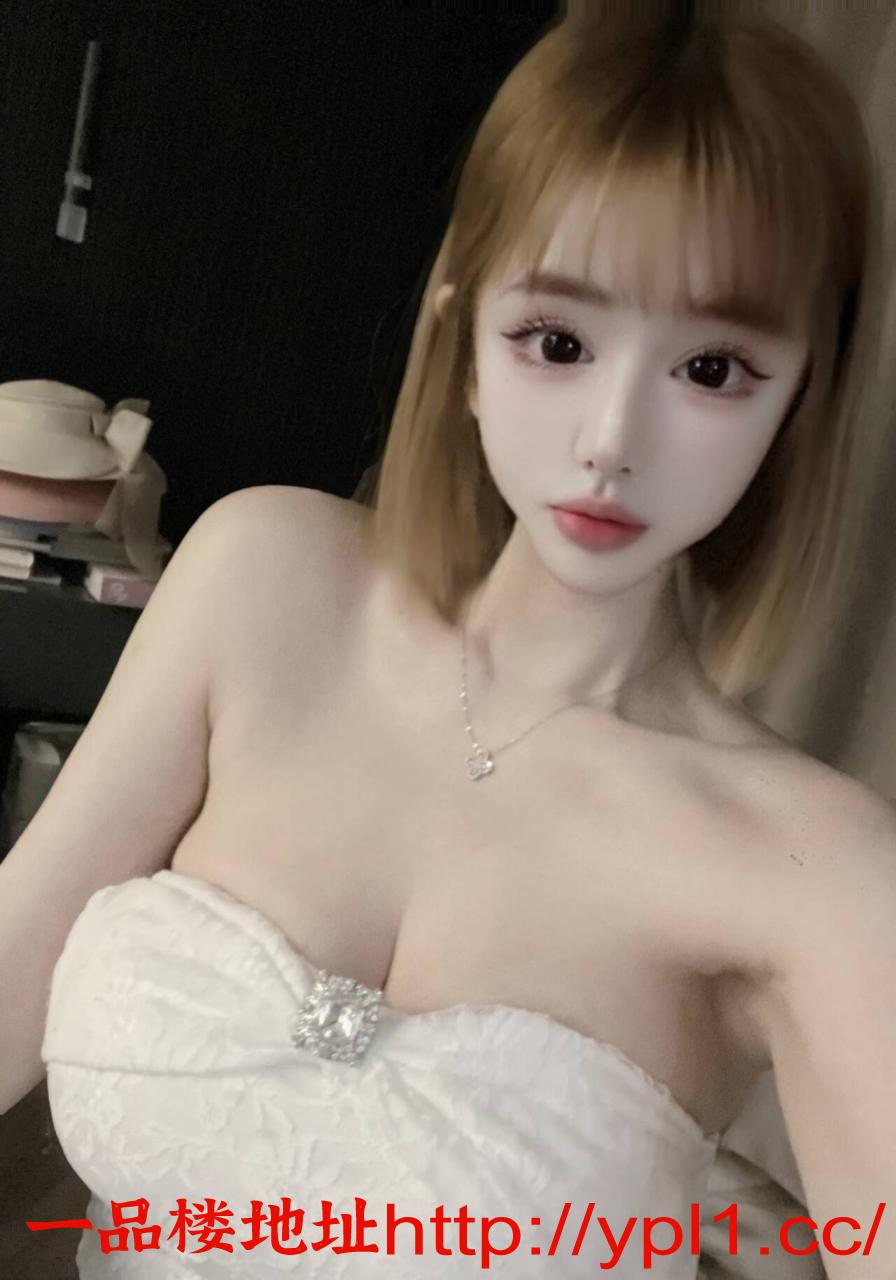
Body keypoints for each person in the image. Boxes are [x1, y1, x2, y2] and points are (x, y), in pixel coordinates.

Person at [1, 4, 894, 1277]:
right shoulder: (265, 578)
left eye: (710, 370)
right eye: (557, 341)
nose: (610, 438)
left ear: (796, 400)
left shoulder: (810, 867)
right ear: (462, 339)